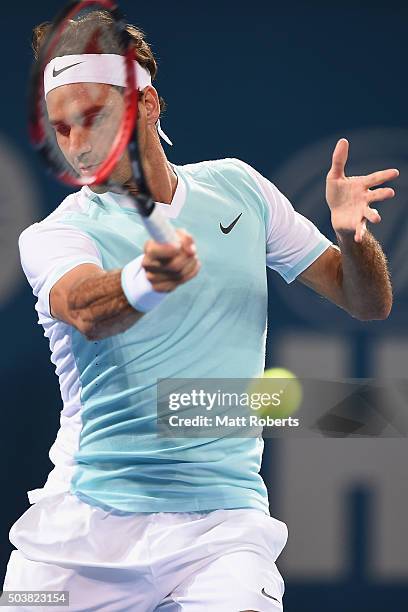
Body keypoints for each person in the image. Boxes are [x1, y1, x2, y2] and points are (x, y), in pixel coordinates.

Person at [3, 10, 397, 612]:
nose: (78, 147)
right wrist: (143, 280)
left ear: (148, 104)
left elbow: (367, 302)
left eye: (93, 118)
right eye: (62, 129)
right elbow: (83, 307)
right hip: (80, 536)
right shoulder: (54, 235)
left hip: (221, 532)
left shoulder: (239, 190)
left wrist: (352, 237)